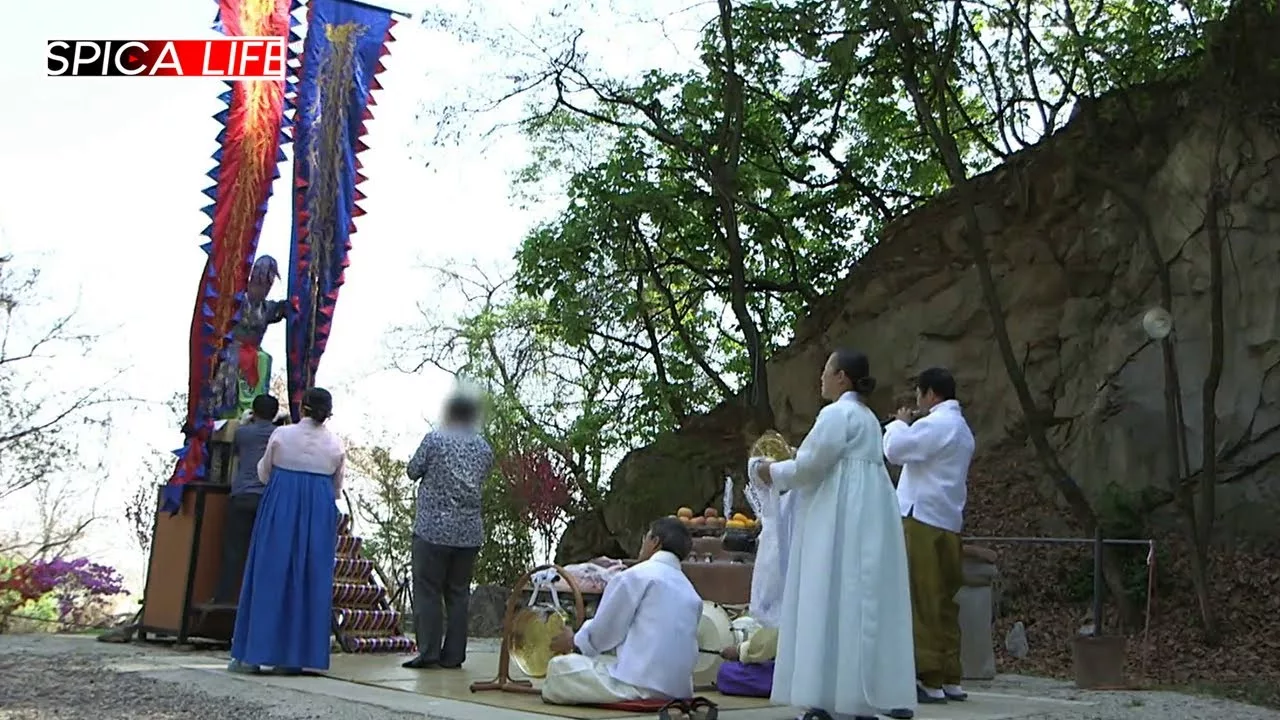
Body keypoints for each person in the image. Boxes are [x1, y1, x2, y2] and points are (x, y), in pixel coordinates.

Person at [755, 350, 917, 720]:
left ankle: (823, 697)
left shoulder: (836, 414)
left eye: (826, 372)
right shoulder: (868, 419)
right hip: (870, 514)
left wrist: (770, 471)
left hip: (839, 517)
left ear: (841, 377)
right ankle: (860, 695)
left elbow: (811, 465)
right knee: (861, 600)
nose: (821, 379)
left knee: (828, 595)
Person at [228, 387, 345, 675]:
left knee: (269, 571)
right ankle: (293, 658)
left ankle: (252, 655)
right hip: (318, 505)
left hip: (281, 500)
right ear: (327, 413)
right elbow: (336, 487)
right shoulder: (336, 445)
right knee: (309, 576)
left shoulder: (281, 435)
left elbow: (263, 472)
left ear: (302, 407)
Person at [883, 367, 976, 704]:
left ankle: (928, 677)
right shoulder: (963, 430)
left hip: (921, 519)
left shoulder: (936, 424)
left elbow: (895, 450)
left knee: (922, 600)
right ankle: (951, 676)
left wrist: (900, 423)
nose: (917, 402)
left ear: (930, 394)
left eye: (919, 395)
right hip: (950, 522)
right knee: (945, 603)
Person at [542, 517, 702, 706]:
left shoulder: (637, 576)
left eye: (646, 538)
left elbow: (606, 633)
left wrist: (574, 641)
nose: (642, 544)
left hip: (638, 687)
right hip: (679, 690)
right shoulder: (691, 592)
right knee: (607, 665)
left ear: (655, 542)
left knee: (559, 669)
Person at [401, 390, 494, 670]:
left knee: (428, 591)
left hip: (432, 529)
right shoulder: (483, 448)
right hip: (468, 532)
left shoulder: (435, 439)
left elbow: (412, 470)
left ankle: (428, 653)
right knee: (458, 593)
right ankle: (453, 656)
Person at [714, 461, 795, 697]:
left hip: (794, 661)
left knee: (728, 674)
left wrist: (741, 651)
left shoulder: (783, 542)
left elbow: (778, 630)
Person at [211, 394, 279, 605]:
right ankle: (259, 602)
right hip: (267, 500)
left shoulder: (243, 433)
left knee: (233, 551)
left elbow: (231, 441)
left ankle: (223, 598)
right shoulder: (279, 435)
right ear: (275, 413)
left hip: (241, 496)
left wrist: (243, 420)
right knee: (263, 553)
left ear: (254, 411)